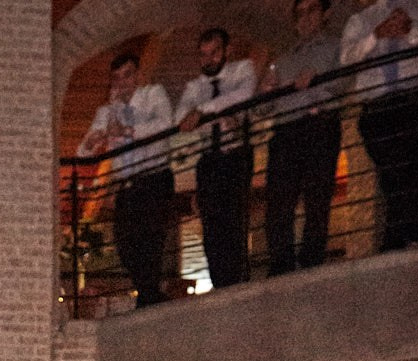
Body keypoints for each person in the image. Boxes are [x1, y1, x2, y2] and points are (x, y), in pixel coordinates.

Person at [79, 52, 178, 308]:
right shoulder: (107, 110)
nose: (122, 83)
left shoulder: (152, 95)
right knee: (125, 243)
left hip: (154, 176)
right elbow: (83, 151)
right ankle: (147, 295)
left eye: (127, 75)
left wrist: (127, 130)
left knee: (151, 239)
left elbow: (166, 123)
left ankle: (148, 298)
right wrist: (98, 135)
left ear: (137, 76)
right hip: (127, 184)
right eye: (117, 78)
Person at [342, 0, 418, 251]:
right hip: (375, 105)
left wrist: (411, 30)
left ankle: (398, 236)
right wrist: (375, 35)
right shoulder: (361, 20)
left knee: (410, 162)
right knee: (392, 168)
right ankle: (415, 231)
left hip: (411, 98)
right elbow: (346, 58)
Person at [264, 0, 346, 274]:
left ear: (326, 14)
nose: (305, 18)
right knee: (278, 202)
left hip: (318, 125)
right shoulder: (283, 59)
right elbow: (262, 107)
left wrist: (318, 79)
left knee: (317, 197)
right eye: (299, 13)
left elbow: (343, 83)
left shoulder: (336, 47)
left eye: (312, 10)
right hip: (286, 130)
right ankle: (281, 263)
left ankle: (312, 260)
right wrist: (266, 91)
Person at [176, 28, 258, 289]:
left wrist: (204, 111)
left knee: (234, 219)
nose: (209, 59)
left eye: (214, 53)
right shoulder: (194, 87)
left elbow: (242, 96)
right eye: (204, 55)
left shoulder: (242, 70)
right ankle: (220, 283)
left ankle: (237, 281)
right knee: (211, 226)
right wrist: (213, 112)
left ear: (227, 51)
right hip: (208, 159)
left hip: (235, 153)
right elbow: (181, 118)